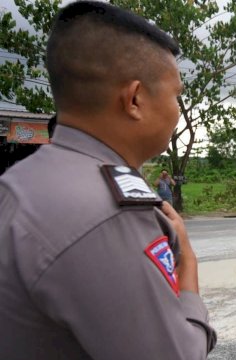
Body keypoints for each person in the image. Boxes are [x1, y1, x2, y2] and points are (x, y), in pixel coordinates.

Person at [0, 2, 215, 359]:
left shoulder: (19, 182)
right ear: (134, 99)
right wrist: (187, 267)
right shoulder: (108, 213)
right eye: (177, 94)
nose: (178, 109)